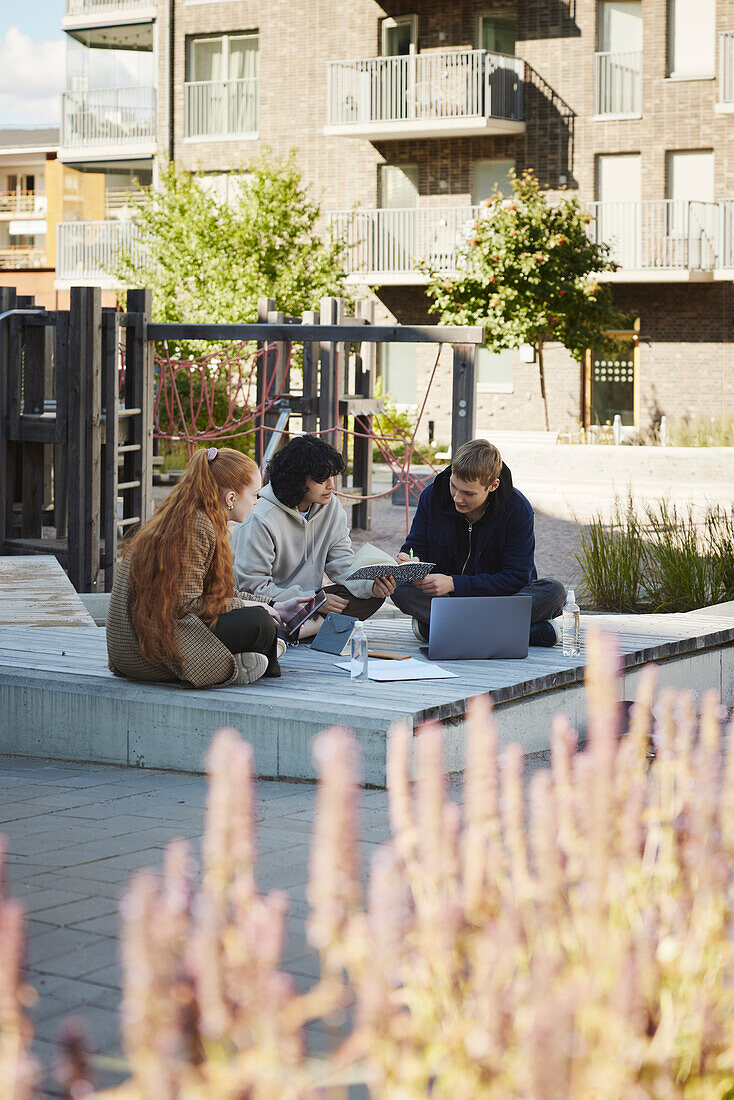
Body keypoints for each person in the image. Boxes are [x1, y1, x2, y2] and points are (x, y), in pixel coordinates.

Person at [107, 447, 310, 687]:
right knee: (260, 624)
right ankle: (237, 662)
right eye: (254, 494)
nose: (257, 501)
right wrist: (251, 606)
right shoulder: (195, 526)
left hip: (145, 638)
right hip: (145, 651)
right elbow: (186, 604)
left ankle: (246, 658)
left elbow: (214, 592)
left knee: (262, 618)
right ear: (231, 498)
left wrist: (274, 605)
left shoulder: (196, 518)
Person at [391, 438, 566, 647]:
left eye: (468, 493)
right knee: (397, 585)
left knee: (554, 592)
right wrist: (409, 560)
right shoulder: (432, 496)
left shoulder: (518, 509)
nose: (457, 498)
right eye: (453, 486)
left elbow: (517, 577)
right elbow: (415, 545)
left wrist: (454, 583)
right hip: (446, 599)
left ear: (493, 486)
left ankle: (440, 628)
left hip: (499, 598)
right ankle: (525, 632)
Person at [231, 435, 395, 638]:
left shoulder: (331, 506)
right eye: (321, 479)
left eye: (332, 476)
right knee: (259, 616)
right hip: (273, 603)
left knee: (370, 597)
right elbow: (254, 587)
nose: (331, 485)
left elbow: (342, 563)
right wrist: (314, 602)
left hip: (313, 600)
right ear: (297, 480)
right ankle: (300, 629)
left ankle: (300, 631)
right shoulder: (261, 517)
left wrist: (371, 586)